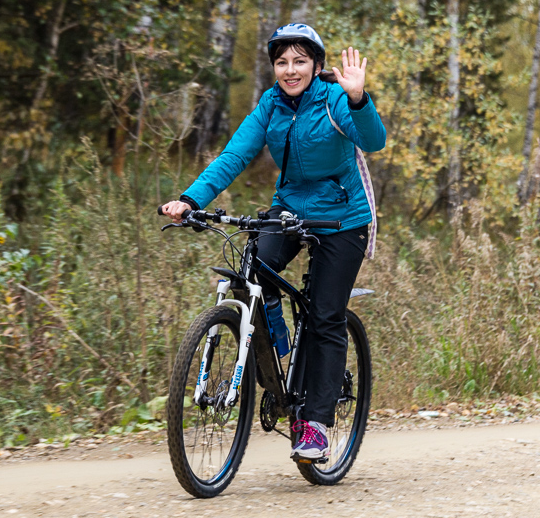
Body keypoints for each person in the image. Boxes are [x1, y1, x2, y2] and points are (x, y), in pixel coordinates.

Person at [160, 23, 386, 459]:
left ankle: (316, 423)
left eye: (300, 60)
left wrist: (358, 98)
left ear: (316, 65)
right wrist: (190, 200)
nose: (290, 69)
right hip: (290, 210)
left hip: (343, 219)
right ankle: (277, 349)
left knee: (324, 315)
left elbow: (373, 140)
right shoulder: (270, 105)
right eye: (282, 62)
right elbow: (235, 155)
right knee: (248, 275)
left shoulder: (336, 96)